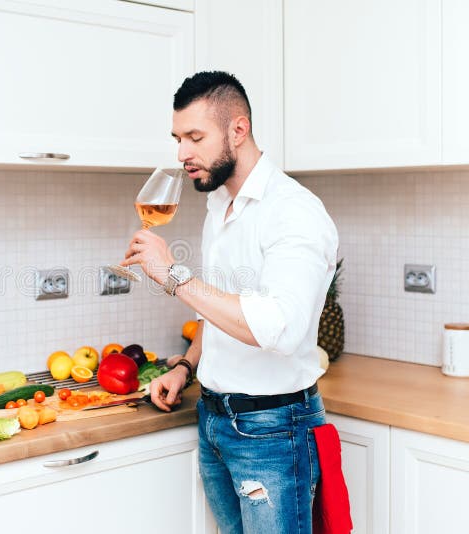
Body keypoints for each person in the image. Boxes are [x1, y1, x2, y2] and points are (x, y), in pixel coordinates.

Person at [120, 71, 339, 534]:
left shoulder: (293, 211)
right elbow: (218, 311)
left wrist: (175, 276)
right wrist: (185, 367)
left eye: (195, 137)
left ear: (238, 130)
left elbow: (277, 327)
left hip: (273, 430)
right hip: (216, 421)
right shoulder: (218, 204)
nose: (182, 154)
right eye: (178, 138)